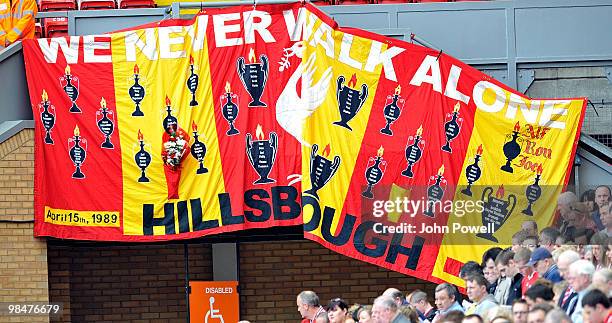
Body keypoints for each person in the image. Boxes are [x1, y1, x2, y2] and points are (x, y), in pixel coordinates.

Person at [556, 249, 581, 315]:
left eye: (564, 270)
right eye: (559, 270)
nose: (561, 274)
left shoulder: (582, 293)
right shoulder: (566, 290)